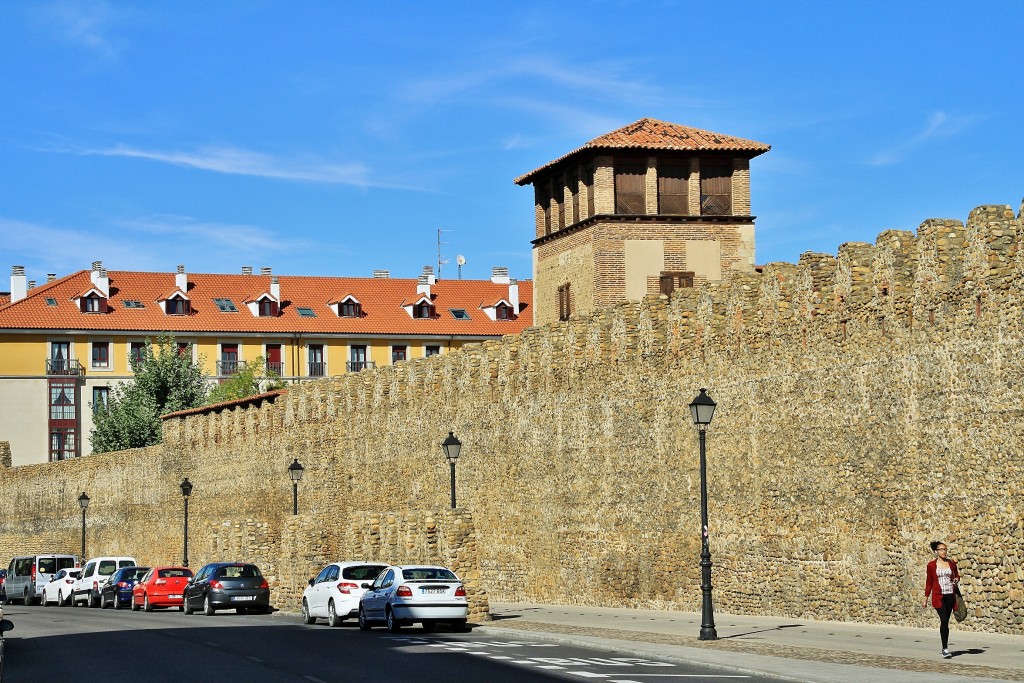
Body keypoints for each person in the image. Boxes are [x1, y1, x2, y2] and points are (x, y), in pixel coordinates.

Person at [923, 540, 959, 659]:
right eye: (941, 549)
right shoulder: (931, 565)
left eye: (945, 549)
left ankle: (945, 646)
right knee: (943, 619)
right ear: (936, 551)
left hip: (950, 595)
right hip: (938, 596)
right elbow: (929, 582)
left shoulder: (951, 563)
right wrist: (926, 598)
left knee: (946, 622)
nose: (944, 551)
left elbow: (956, 575)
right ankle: (945, 648)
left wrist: (956, 579)